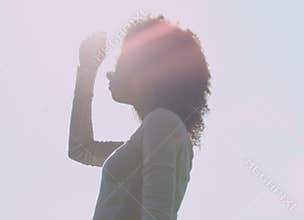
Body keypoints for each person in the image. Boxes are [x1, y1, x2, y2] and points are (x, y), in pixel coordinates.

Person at [67, 14, 211, 220]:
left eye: (122, 61)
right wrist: (87, 71)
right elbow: (80, 149)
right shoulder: (158, 131)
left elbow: (157, 214)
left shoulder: (163, 124)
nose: (110, 73)